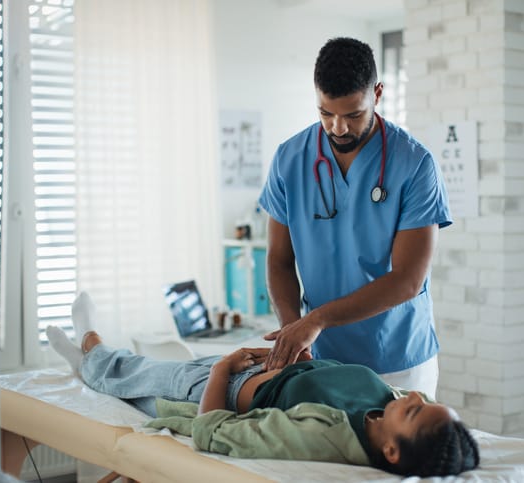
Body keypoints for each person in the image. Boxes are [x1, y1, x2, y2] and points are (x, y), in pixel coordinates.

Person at [47, 293, 479, 477]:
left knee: (136, 373)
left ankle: (89, 348)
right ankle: (87, 359)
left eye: (419, 410)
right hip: (255, 367)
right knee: (142, 371)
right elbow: (330, 386)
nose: (417, 396)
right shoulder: (388, 404)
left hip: (218, 387)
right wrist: (307, 364)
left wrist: (222, 371)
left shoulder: (321, 438)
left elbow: (210, 432)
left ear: (391, 451)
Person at [258, 37, 452, 396]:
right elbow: (279, 260)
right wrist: (292, 332)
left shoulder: (414, 164)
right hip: (322, 359)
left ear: (377, 93)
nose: (338, 128)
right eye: (325, 113)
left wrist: (316, 319)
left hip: (398, 361)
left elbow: (408, 279)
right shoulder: (289, 159)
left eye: (353, 114)